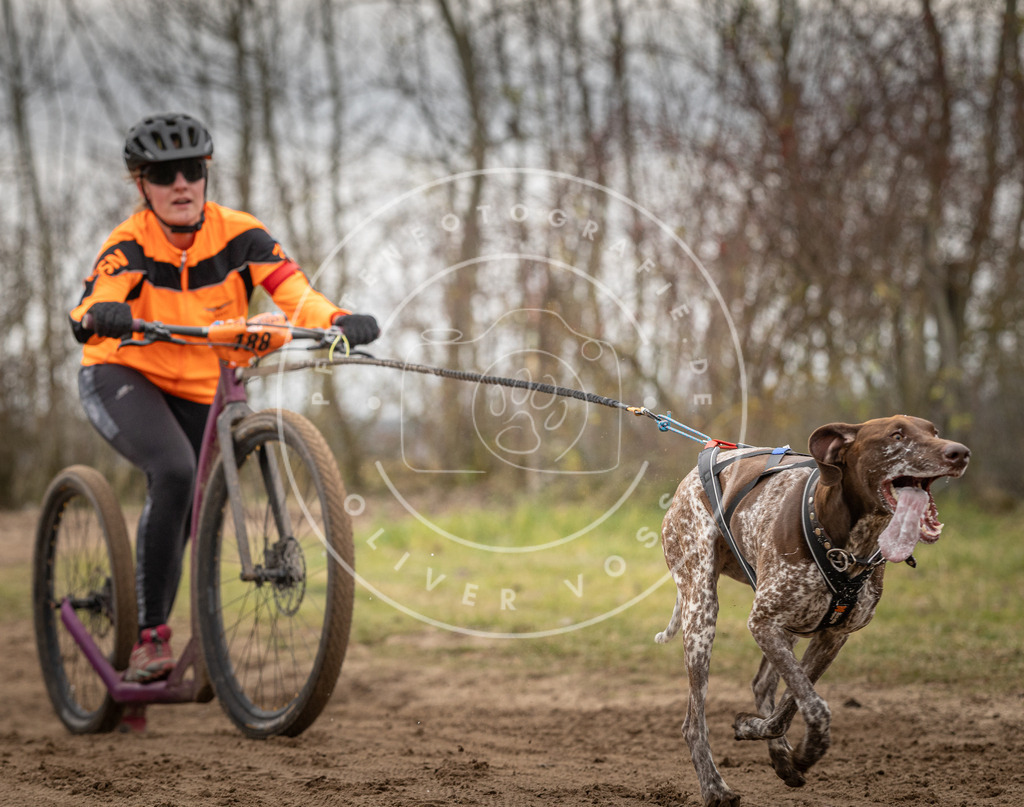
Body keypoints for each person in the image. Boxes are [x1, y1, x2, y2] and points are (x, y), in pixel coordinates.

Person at [68, 112, 379, 683]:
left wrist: (337, 320)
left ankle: (128, 596)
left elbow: (295, 293)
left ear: (206, 174)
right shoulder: (129, 242)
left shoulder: (240, 234)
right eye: (163, 175)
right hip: (124, 372)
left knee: (190, 502)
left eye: (191, 169)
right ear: (142, 184)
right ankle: (150, 638)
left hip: (205, 381)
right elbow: (101, 292)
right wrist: (99, 313)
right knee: (175, 470)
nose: (180, 184)